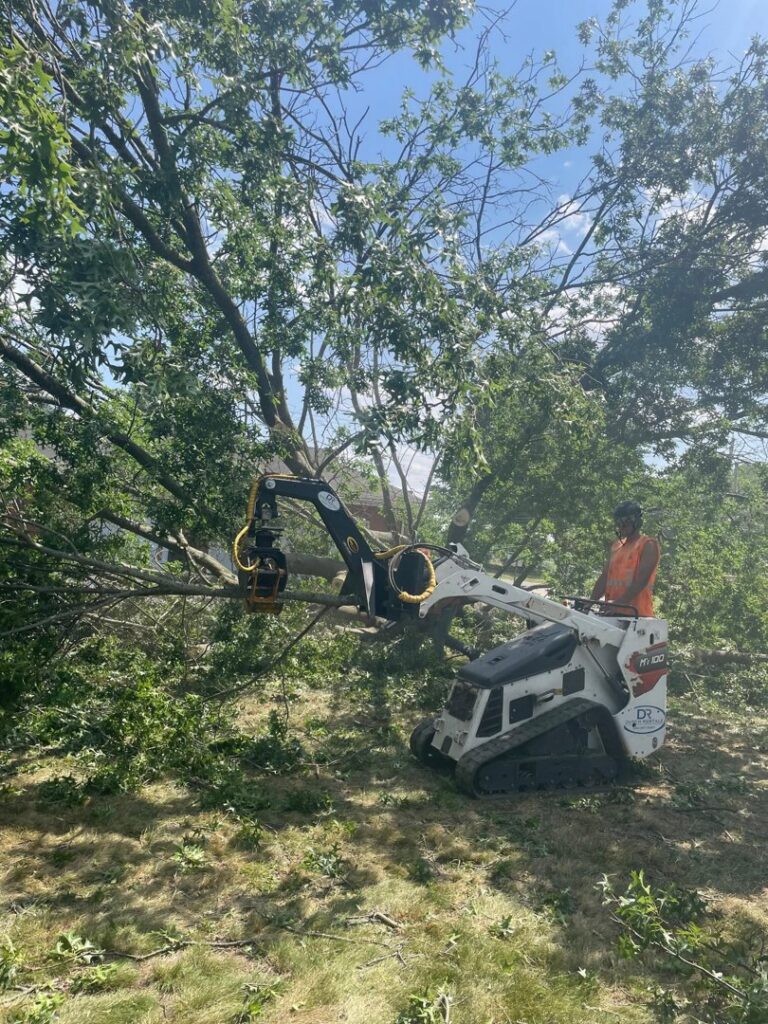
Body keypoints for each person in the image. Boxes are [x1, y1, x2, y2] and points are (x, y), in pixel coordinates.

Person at [590, 500, 660, 616]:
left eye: (625, 522)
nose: (621, 525)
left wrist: (618, 603)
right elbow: (604, 577)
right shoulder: (616, 546)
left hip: (636, 616)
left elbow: (641, 580)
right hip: (612, 613)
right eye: (619, 522)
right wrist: (589, 603)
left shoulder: (648, 545)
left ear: (636, 521)